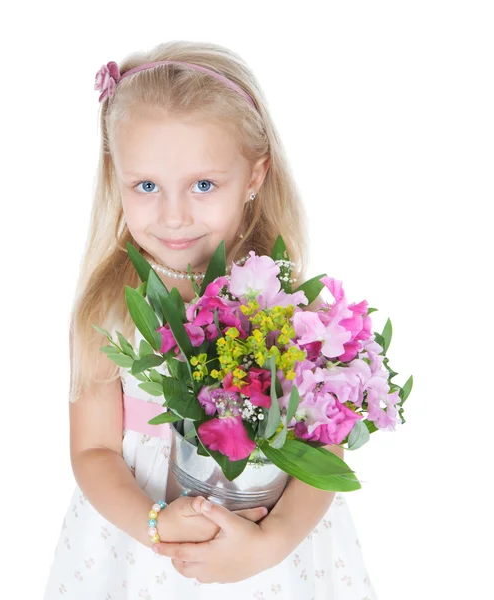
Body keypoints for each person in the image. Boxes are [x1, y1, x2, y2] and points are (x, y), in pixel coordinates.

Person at [42, 40, 378, 599]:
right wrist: (156, 526)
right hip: (138, 554)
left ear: (254, 176)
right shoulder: (112, 308)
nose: (174, 215)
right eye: (145, 186)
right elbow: (92, 451)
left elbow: (323, 452)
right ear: (116, 175)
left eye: (203, 184)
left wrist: (270, 544)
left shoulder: (284, 307)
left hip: (264, 552)